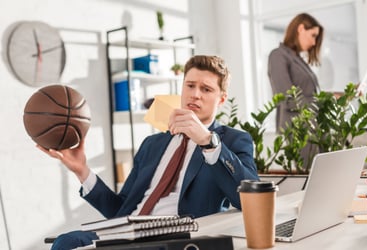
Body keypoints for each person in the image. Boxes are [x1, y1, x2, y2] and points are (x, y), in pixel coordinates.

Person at [39, 55, 259, 249]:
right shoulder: (152, 144)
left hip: (176, 237)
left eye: (206, 89)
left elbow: (250, 201)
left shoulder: (233, 140)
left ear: (221, 99)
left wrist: (207, 141)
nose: (195, 95)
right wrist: (82, 171)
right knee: (67, 242)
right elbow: (120, 210)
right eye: (190, 86)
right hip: (126, 233)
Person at [268, 13, 324, 168]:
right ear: (300, 29)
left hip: (313, 129)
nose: (314, 43)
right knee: (311, 179)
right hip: (298, 130)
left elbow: (310, 95)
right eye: (313, 36)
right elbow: (287, 99)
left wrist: (339, 96)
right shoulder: (278, 56)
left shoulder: (298, 60)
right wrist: (324, 100)